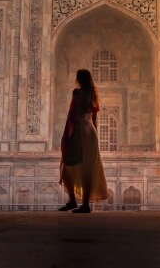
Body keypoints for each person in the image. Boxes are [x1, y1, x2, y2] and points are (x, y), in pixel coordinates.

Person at [59, 68, 108, 213]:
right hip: (91, 131)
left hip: (79, 130)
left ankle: (72, 200)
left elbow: (73, 114)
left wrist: (67, 134)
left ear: (79, 79)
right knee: (88, 168)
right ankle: (85, 204)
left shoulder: (77, 92)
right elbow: (94, 118)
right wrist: (95, 134)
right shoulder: (93, 94)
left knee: (68, 164)